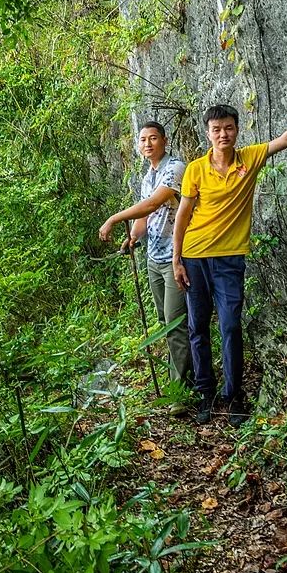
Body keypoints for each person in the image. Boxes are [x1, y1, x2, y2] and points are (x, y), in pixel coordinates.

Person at [172, 85, 287, 426]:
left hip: (230, 260)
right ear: (208, 133)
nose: (223, 134)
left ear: (237, 130)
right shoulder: (195, 170)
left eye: (229, 128)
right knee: (197, 327)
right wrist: (177, 260)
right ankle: (206, 392)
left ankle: (233, 395)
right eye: (216, 130)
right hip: (194, 257)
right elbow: (183, 216)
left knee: (231, 325)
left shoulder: (249, 158)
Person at [99, 121, 192, 389]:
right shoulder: (147, 176)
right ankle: (184, 374)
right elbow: (146, 215)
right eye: (142, 140)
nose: (147, 144)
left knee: (175, 324)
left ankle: (180, 388)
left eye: (153, 138)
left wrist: (114, 219)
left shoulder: (174, 168)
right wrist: (133, 237)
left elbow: (154, 202)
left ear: (164, 140)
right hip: (154, 258)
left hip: (177, 257)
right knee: (165, 321)